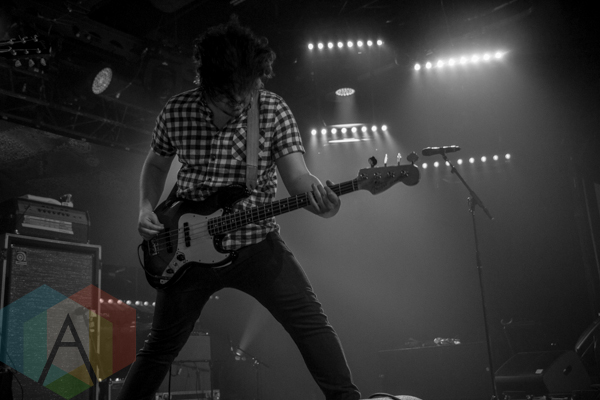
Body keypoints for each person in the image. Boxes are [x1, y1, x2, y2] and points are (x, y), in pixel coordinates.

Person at [117, 17, 361, 400]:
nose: (239, 105)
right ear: (204, 83)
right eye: (228, 99)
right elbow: (156, 164)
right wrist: (145, 206)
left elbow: (298, 176)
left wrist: (320, 202)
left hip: (256, 241)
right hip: (186, 247)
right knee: (160, 346)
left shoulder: (272, 109)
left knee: (310, 323)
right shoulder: (176, 111)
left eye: (245, 96)